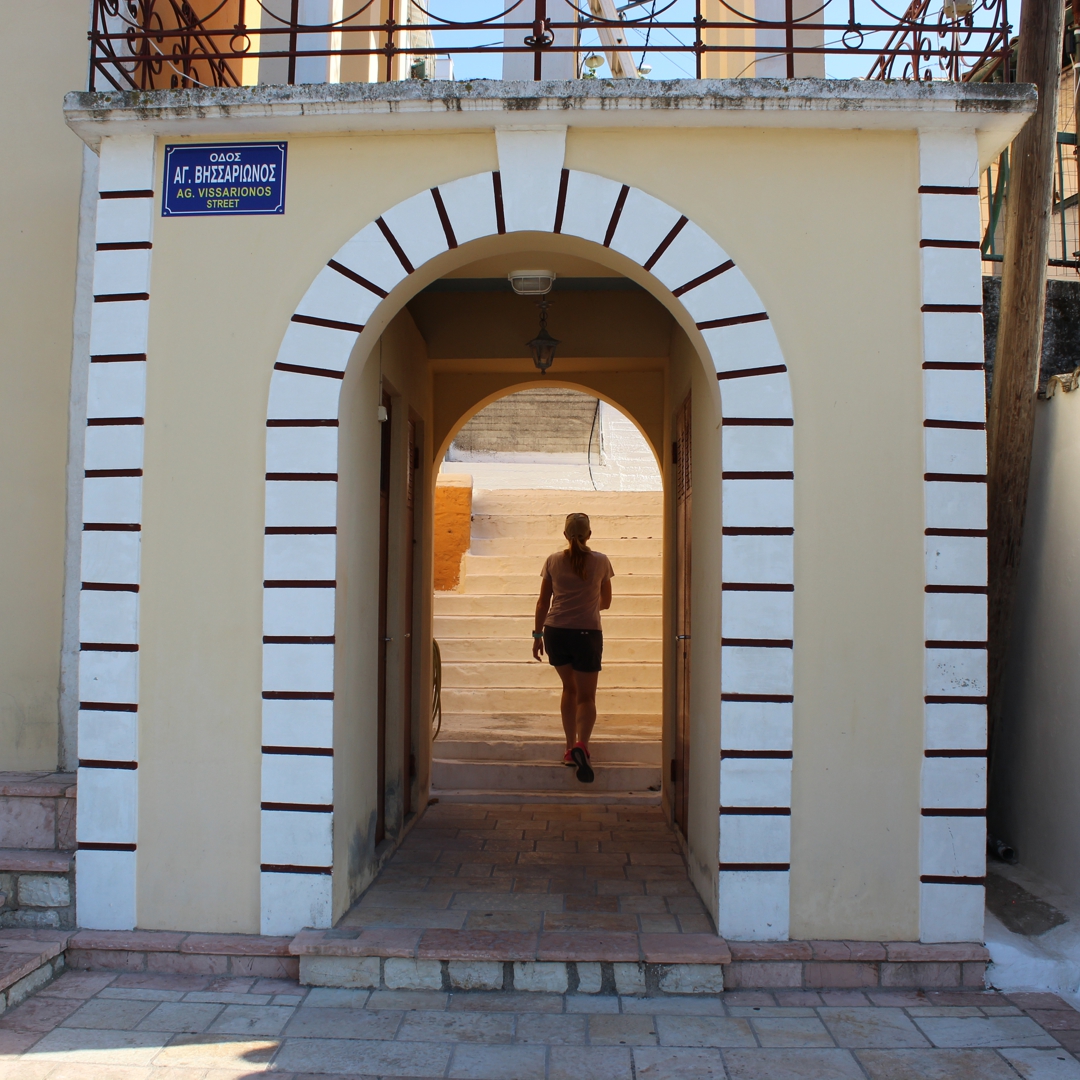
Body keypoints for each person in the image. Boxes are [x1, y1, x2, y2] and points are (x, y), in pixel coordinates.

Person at [532, 512, 614, 784]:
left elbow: (543, 602)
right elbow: (606, 602)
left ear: (565, 535)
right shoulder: (601, 562)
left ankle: (569, 748)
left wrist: (537, 634)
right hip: (587, 633)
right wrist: (587, 603)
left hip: (556, 632)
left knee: (569, 689)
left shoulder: (553, 561)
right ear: (589, 534)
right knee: (587, 697)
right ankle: (583, 745)